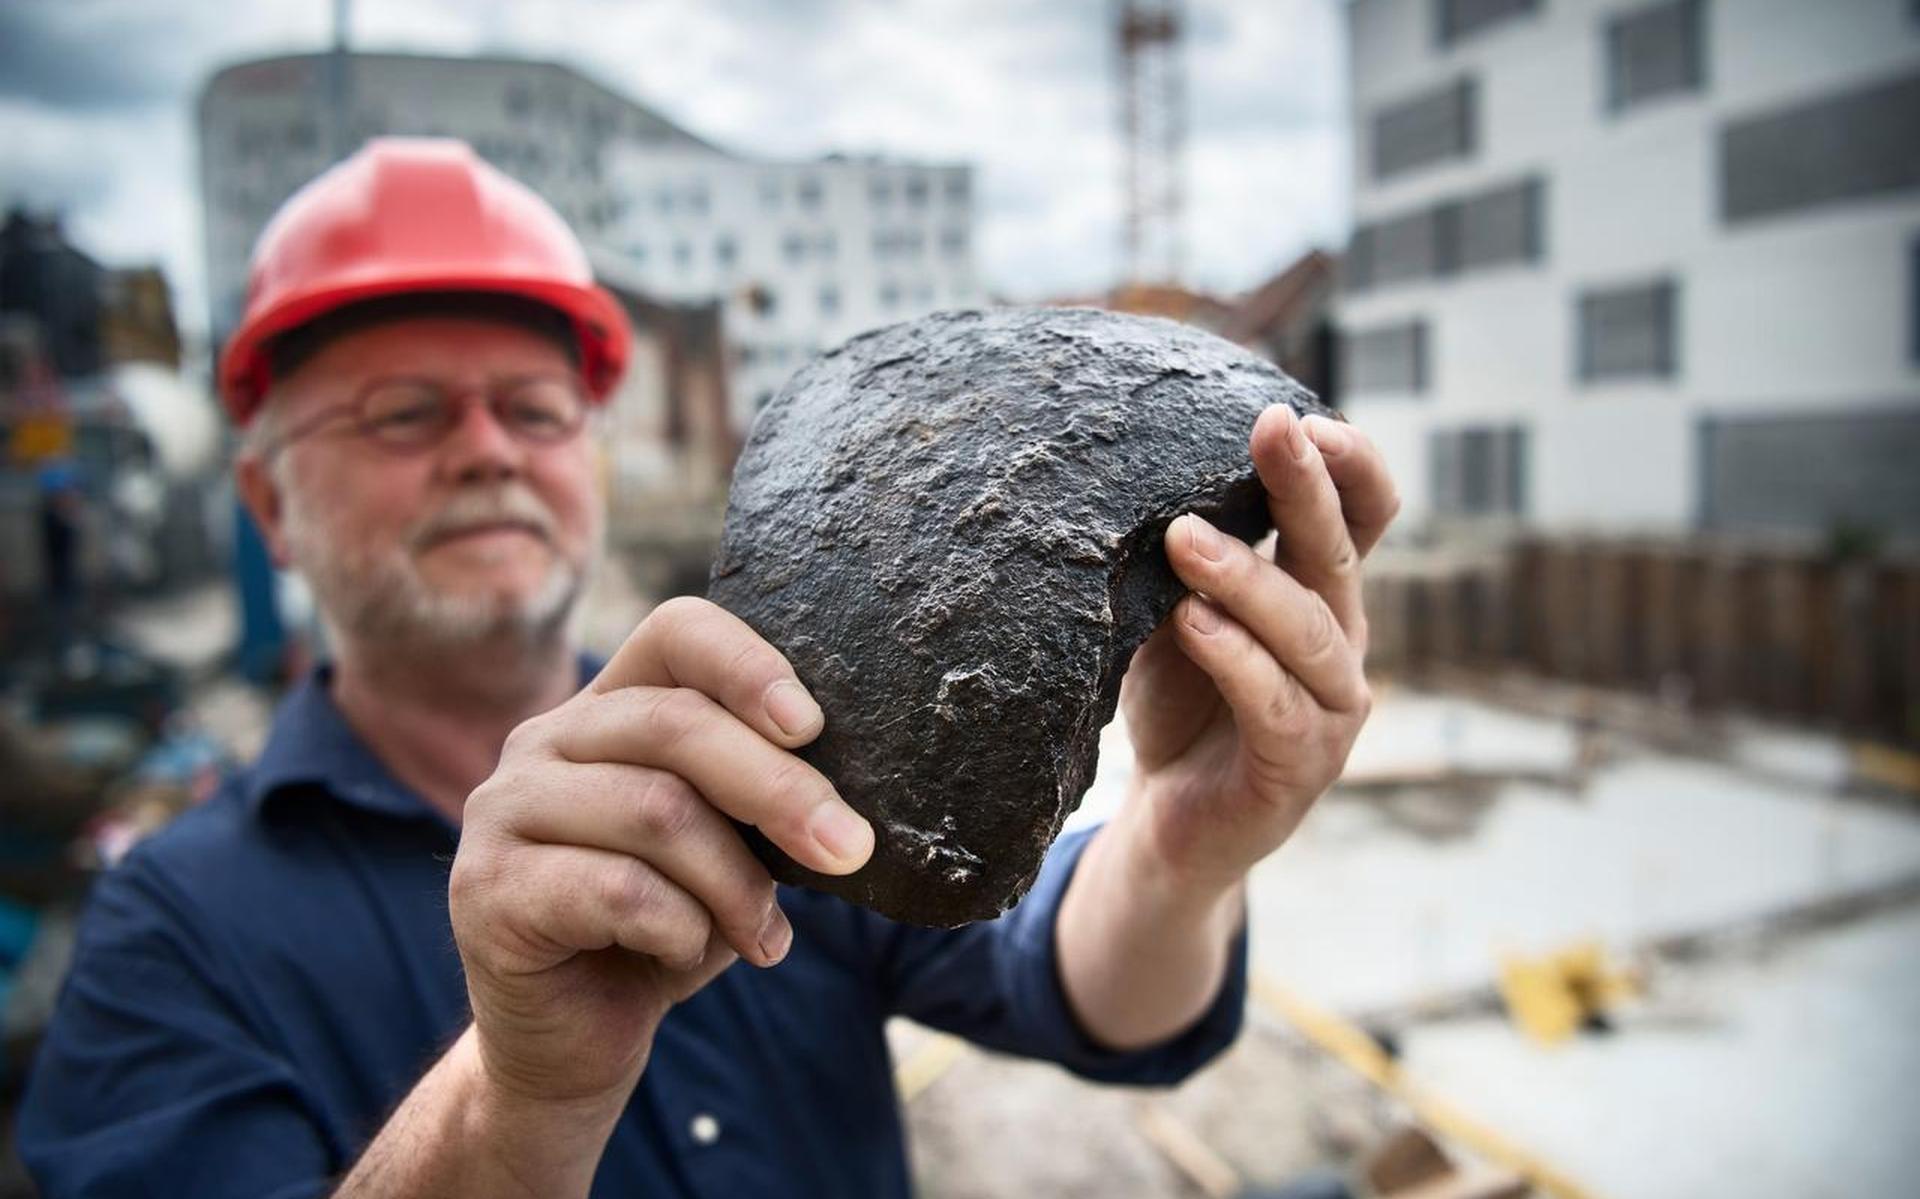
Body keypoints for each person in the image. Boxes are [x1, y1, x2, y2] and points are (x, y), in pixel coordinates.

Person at [17, 138, 1399, 1197]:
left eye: (534, 408)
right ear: (269, 506)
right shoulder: (165, 939)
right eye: (404, 413)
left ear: (590, 457)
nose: (487, 450)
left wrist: (1178, 846)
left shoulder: (785, 739)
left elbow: (1077, 993)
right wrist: (513, 1105)